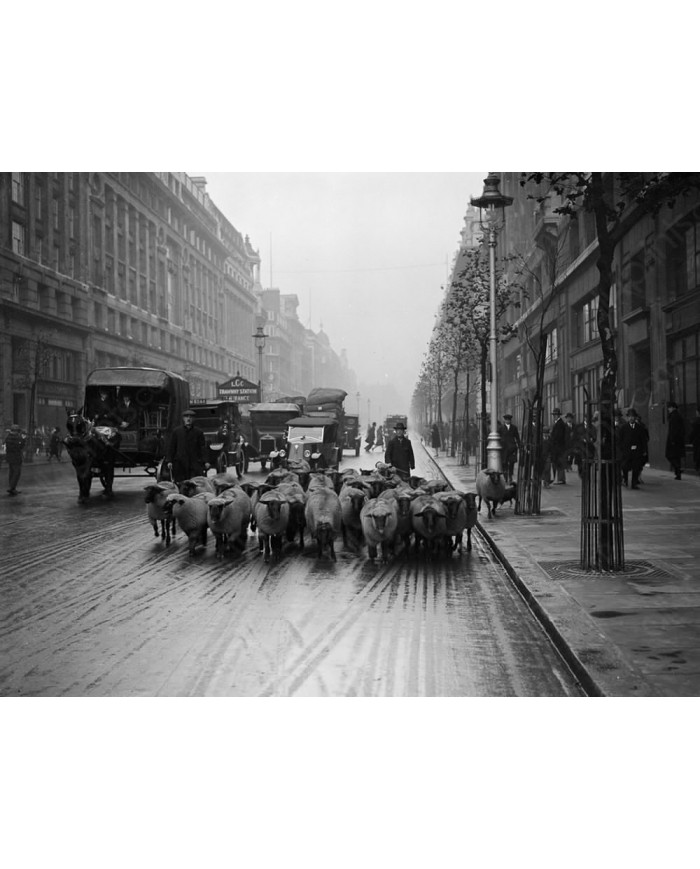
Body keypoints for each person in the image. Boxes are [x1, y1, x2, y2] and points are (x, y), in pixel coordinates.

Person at [166, 409, 209, 484]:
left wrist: (206, 461)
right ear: (183, 419)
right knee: (180, 483)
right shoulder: (177, 432)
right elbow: (172, 447)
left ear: (194, 419)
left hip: (194, 463)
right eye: (186, 417)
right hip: (180, 463)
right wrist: (169, 461)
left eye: (191, 417)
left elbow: (202, 448)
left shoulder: (198, 432)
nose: (188, 419)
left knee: (195, 484)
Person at [619, 408, 649, 489]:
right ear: (627, 418)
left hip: (637, 451)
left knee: (636, 467)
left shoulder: (640, 428)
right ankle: (625, 480)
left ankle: (634, 483)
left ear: (635, 417)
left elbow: (643, 440)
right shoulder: (623, 428)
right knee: (625, 466)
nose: (631, 418)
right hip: (627, 451)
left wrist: (644, 450)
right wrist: (622, 449)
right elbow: (620, 439)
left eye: (632, 416)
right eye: (629, 416)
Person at [665, 401, 686, 480]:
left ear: (673, 408)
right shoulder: (678, 415)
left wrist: (672, 439)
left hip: (673, 440)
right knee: (677, 457)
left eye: (669, 407)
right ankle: (678, 473)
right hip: (679, 440)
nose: (668, 409)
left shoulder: (674, 416)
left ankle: (677, 469)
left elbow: (673, 429)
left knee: (669, 455)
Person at [4, 424, 26, 496]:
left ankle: (12, 487)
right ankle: (12, 488)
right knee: (16, 473)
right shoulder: (17, 438)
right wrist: (23, 439)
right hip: (16, 457)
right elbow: (20, 446)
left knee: (12, 472)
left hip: (10, 457)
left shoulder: (8, 437)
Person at [498, 413, 521, 483]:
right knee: (504, 463)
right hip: (504, 449)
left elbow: (517, 437)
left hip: (512, 448)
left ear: (510, 420)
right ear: (504, 420)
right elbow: (498, 437)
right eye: (506, 420)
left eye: (509, 420)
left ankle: (510, 475)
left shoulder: (514, 428)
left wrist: (519, 446)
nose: (507, 421)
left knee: (511, 463)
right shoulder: (501, 428)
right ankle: (505, 477)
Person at [549, 408, 569, 484]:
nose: (554, 416)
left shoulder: (559, 424)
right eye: (554, 415)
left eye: (555, 415)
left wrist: (552, 439)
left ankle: (560, 479)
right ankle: (561, 478)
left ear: (558, 415)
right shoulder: (558, 423)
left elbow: (558, 436)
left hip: (558, 446)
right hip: (559, 446)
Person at [689, 408, 700, 475]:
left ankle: (697, 467)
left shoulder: (696, 422)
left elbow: (693, 433)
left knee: (698, 455)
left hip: (697, 441)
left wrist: (690, 440)